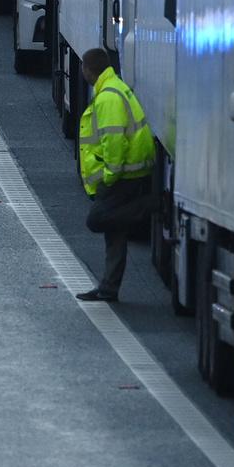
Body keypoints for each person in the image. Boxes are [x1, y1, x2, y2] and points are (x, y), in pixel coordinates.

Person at [75, 48, 157, 302]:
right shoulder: (112, 88)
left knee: (97, 219)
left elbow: (113, 140)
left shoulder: (108, 97)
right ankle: (109, 288)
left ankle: (151, 205)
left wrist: (109, 176)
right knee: (115, 232)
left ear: (88, 70)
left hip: (122, 176)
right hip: (128, 173)